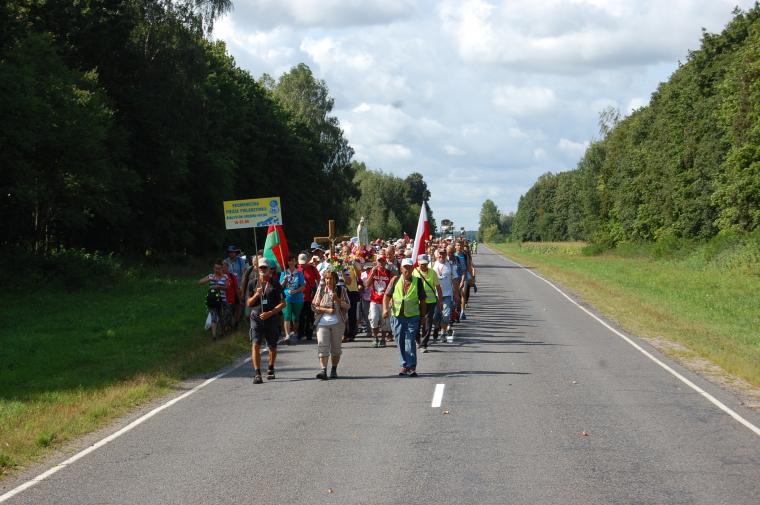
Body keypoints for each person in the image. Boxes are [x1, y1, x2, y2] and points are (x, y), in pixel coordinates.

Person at [383, 258, 426, 377]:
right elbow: (386, 296)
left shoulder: (418, 281)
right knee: (400, 340)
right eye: (405, 267)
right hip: (397, 316)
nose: (407, 270)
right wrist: (385, 309)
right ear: (401, 269)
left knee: (410, 339)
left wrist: (423, 316)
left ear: (413, 269)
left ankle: (411, 366)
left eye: (409, 267)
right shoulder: (395, 280)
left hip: (413, 316)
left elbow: (422, 300)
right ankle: (404, 365)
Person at [247, 258, 285, 384]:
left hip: (271, 318)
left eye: (265, 268)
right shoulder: (253, 283)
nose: (263, 270)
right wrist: (256, 295)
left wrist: (271, 313)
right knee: (255, 344)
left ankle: (271, 367)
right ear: (257, 269)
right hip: (256, 318)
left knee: (272, 346)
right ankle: (257, 373)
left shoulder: (275, 284)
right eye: (261, 268)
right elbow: (248, 303)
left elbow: (283, 303)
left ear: (269, 270)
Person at [312, 270, 350, 380]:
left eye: (330, 278)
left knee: (336, 349)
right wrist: (326, 310)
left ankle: (334, 369)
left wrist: (337, 300)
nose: (328, 281)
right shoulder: (321, 289)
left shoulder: (341, 290)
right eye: (326, 278)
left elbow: (348, 305)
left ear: (335, 280)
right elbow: (314, 306)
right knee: (322, 346)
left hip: (338, 323)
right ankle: (323, 370)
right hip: (322, 323)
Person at [413, 254, 443, 353]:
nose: (424, 266)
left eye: (425, 264)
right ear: (418, 263)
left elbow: (438, 288)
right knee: (416, 323)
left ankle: (423, 344)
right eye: (422, 264)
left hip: (430, 302)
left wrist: (440, 301)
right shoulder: (414, 272)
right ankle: (418, 340)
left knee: (427, 324)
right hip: (417, 302)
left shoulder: (432, 273)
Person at [365, 254, 392, 347]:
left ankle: (383, 339)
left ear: (385, 262)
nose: (380, 263)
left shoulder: (389, 273)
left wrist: (391, 299)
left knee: (385, 322)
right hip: (374, 301)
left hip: (385, 302)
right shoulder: (373, 271)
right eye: (379, 261)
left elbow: (392, 287)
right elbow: (367, 285)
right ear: (376, 262)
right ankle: (375, 338)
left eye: (382, 261)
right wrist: (372, 274)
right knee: (373, 318)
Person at [280, 254, 306, 345]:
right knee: (287, 316)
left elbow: (303, 286)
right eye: (290, 260)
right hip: (286, 298)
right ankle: (287, 335)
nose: (291, 262)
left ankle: (294, 333)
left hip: (298, 298)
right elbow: (280, 287)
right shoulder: (284, 273)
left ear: (296, 262)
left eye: (293, 260)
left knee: (295, 318)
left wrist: (296, 291)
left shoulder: (299, 273)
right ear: (287, 262)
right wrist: (284, 281)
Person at [198, 259, 228, 339]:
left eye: (218, 268)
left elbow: (227, 288)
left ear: (221, 268)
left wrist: (219, 287)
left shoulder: (225, 276)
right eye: (215, 268)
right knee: (213, 316)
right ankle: (214, 335)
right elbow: (200, 282)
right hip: (212, 300)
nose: (216, 270)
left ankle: (222, 332)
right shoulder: (211, 276)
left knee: (222, 317)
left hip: (222, 300)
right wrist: (209, 279)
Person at [433, 249, 456, 340]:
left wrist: (456, 293)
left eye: (443, 254)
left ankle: (443, 333)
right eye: (440, 254)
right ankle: (436, 327)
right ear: (437, 255)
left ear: (446, 255)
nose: (441, 256)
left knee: (446, 316)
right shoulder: (432, 264)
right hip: (434, 294)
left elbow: (454, 280)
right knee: (435, 316)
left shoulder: (450, 265)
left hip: (447, 294)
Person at [298, 252, 320, 341]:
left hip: (310, 297)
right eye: (300, 263)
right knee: (300, 316)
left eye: (303, 263)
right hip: (299, 297)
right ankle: (300, 333)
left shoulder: (312, 269)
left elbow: (318, 279)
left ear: (307, 261)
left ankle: (309, 333)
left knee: (310, 316)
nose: (302, 265)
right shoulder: (296, 269)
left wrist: (319, 292)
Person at [342, 258, 361, 342]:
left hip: (352, 291)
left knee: (352, 314)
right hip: (341, 290)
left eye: (347, 252)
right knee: (342, 312)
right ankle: (343, 333)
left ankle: (351, 334)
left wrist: (354, 265)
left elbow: (359, 276)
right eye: (344, 252)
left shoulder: (352, 264)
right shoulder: (338, 264)